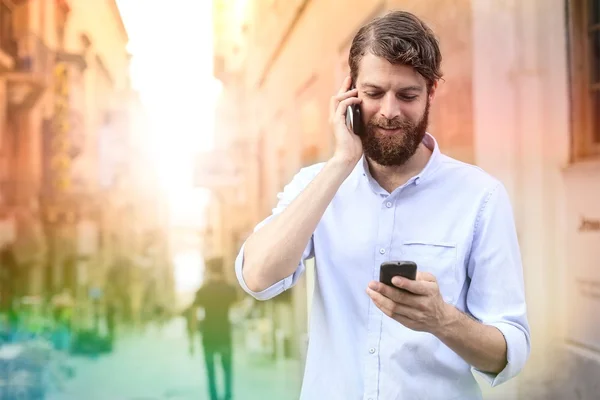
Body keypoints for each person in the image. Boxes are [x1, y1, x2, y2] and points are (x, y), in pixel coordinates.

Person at [235, 10, 531, 400]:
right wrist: (340, 162)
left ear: (431, 93)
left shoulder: (481, 196)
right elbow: (257, 278)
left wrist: (442, 321)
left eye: (407, 95)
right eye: (373, 93)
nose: (389, 111)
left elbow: (509, 353)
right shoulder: (316, 185)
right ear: (350, 93)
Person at [194, 257, 238, 400]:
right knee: (227, 370)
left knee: (210, 371)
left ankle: (213, 397)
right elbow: (237, 309)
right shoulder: (230, 290)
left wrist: (190, 340)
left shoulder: (203, 291)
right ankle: (228, 396)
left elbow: (196, 314)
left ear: (208, 270)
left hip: (208, 335)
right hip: (225, 333)